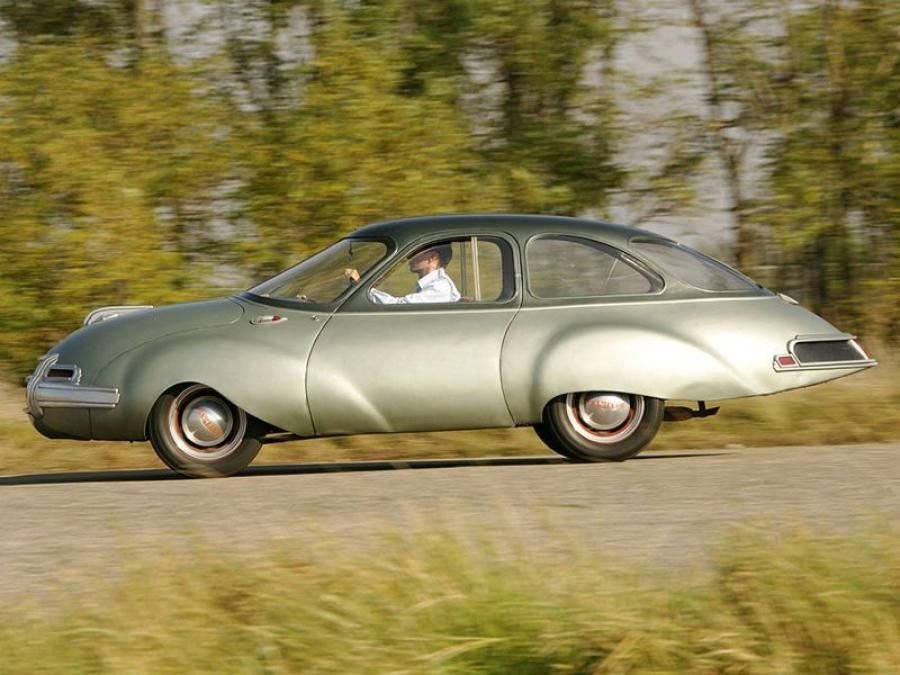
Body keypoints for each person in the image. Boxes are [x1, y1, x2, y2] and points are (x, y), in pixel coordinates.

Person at [345, 244, 461, 304]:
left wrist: (361, 286)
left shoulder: (439, 287)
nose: (409, 256)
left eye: (416, 251)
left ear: (432, 258)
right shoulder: (435, 284)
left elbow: (397, 307)